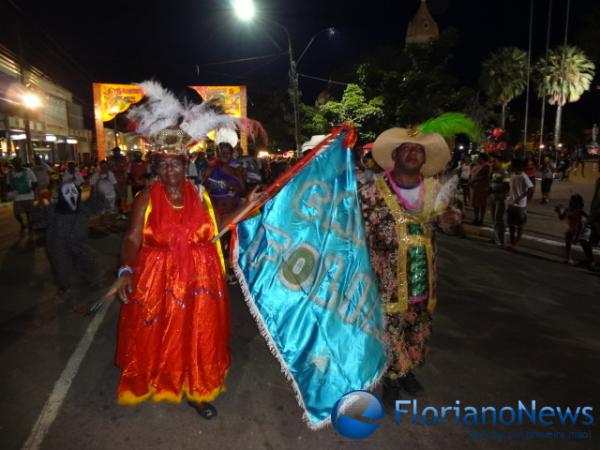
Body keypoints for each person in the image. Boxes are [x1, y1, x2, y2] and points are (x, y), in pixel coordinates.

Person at [358, 126, 454, 400]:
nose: (413, 154)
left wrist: (451, 222)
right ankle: (392, 378)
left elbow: (447, 222)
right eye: (407, 149)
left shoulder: (435, 190)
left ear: (424, 160)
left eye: (418, 151)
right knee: (389, 328)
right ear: (395, 155)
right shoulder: (371, 191)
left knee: (419, 325)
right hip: (386, 278)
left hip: (423, 275)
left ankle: (406, 370)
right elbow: (355, 229)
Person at [46, 181, 100, 297]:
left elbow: (95, 207)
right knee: (61, 263)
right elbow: (44, 221)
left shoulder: (81, 208)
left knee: (87, 259)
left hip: (78, 241)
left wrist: (96, 193)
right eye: (67, 192)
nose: (71, 195)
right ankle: (63, 285)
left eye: (74, 191)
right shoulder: (54, 209)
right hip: (60, 242)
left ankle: (91, 279)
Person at [554, 194, 594, 267]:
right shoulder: (568, 209)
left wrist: (578, 235)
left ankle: (589, 260)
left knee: (583, 243)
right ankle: (568, 258)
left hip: (578, 229)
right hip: (570, 228)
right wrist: (558, 211)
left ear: (579, 203)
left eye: (574, 201)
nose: (572, 203)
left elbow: (583, 222)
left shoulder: (580, 211)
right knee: (568, 243)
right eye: (572, 201)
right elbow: (561, 218)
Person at [507, 159, 534, 249]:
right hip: (511, 203)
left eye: (512, 165)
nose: (510, 167)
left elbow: (531, 188)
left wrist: (520, 198)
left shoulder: (524, 176)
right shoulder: (513, 175)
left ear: (516, 166)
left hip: (520, 205)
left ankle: (517, 243)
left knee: (520, 225)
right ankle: (512, 241)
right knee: (511, 224)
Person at [8, 157, 37, 233]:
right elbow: (8, 184)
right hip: (17, 196)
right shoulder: (10, 173)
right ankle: (22, 224)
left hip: (28, 195)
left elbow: (35, 182)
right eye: (15, 163)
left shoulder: (28, 171)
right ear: (13, 164)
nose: (17, 165)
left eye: (18, 163)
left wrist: (30, 189)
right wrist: (10, 191)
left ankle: (30, 225)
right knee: (16, 213)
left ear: (21, 163)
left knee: (29, 212)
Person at [488, 154, 510, 247]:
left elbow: (507, 186)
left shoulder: (504, 172)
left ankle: (502, 241)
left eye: (494, 162)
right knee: (494, 219)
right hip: (493, 198)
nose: (492, 164)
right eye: (492, 162)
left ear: (500, 162)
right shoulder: (493, 172)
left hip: (500, 199)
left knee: (499, 219)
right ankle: (496, 238)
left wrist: (496, 190)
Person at [468, 153, 491, 225]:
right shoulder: (478, 165)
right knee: (475, 204)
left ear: (483, 159)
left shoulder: (486, 166)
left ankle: (481, 219)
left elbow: (483, 176)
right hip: (475, 187)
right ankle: (476, 218)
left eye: (479, 158)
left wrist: (473, 181)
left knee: (481, 204)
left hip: (482, 188)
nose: (478, 159)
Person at [108, 147, 129, 217]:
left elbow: (125, 168)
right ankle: (117, 210)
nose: (116, 153)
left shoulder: (124, 159)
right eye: (114, 152)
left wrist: (118, 170)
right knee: (115, 196)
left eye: (117, 152)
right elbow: (110, 168)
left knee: (123, 196)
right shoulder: (110, 159)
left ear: (119, 152)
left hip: (123, 180)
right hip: (114, 180)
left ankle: (123, 210)